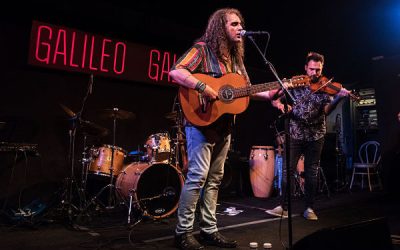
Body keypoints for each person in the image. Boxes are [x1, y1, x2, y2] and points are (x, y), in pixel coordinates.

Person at [169, 8, 284, 250]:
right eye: (234, 24)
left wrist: (272, 92)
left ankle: (209, 229)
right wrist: (202, 86)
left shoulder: (236, 59)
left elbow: (247, 91)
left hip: (225, 125)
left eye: (241, 23)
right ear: (220, 28)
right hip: (200, 123)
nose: (240, 27)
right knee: (197, 177)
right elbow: (176, 71)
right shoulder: (202, 49)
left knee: (215, 179)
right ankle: (183, 232)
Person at [266, 51, 350, 221]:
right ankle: (283, 207)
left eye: (318, 70)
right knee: (288, 170)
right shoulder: (296, 82)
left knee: (311, 172)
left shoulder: (326, 87)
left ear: (322, 68)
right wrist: (280, 106)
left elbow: (326, 111)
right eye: (312, 69)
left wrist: (337, 99)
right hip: (296, 132)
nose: (315, 74)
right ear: (306, 68)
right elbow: (274, 98)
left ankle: (309, 208)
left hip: (316, 134)